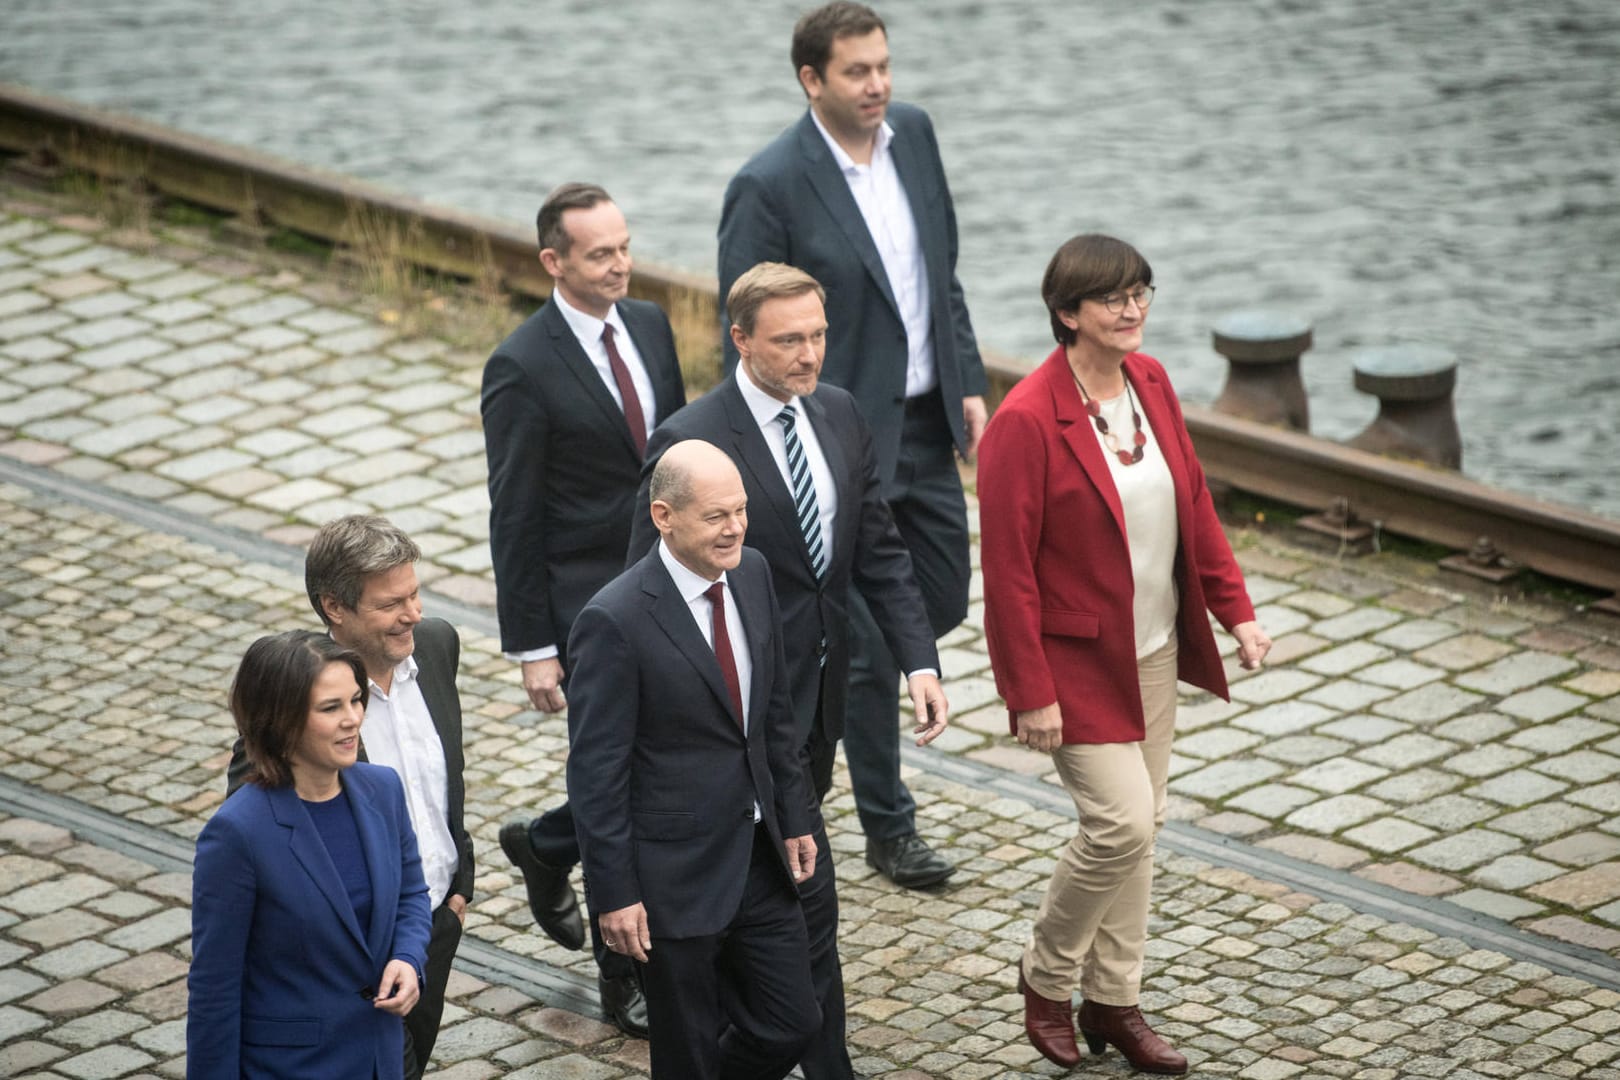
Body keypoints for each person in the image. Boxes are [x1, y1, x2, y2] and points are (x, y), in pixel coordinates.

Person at [628, 262, 947, 1079]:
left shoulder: (838, 415)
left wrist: (918, 658)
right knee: (788, 909)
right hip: (723, 724)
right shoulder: (692, 438)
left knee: (800, 899)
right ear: (740, 340)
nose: (811, 354)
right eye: (790, 340)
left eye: (819, 335)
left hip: (811, 712)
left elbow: (875, 547)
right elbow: (644, 600)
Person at [978, 234, 1273, 1073]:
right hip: (1073, 666)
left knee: (1144, 832)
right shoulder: (1025, 423)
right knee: (1121, 825)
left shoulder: (1151, 383)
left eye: (1141, 291)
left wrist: (1234, 611)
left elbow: (1195, 502)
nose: (1133, 307)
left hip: (1149, 651)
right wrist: (1028, 692)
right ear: (1068, 315)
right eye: (1112, 298)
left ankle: (1114, 1002)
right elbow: (1006, 574)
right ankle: (1046, 976)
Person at [718, 1, 985, 888]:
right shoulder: (770, 185)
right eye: (857, 72)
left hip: (924, 424)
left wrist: (970, 383)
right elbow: (746, 326)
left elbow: (936, 276)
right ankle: (888, 826)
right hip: (835, 438)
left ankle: (842, 677)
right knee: (868, 642)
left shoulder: (914, 134)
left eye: (883, 66)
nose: (879, 85)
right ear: (812, 80)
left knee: (938, 593)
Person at [482, 181, 686, 1034]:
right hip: (584, 612)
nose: (620, 264)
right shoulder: (521, 366)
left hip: (671, 589)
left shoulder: (651, 326)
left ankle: (547, 844)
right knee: (615, 790)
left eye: (625, 246)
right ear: (553, 261)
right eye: (600, 253)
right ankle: (623, 976)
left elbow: (679, 457)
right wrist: (533, 645)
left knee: (662, 772)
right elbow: (514, 514)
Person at [568, 440, 821, 1079]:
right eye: (715, 517)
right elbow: (597, 776)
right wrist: (614, 893)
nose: (734, 528)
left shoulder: (755, 573)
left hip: (760, 858)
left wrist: (795, 816)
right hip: (671, 880)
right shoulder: (615, 620)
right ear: (664, 517)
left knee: (793, 1022)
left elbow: (775, 716)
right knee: (686, 1054)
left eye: (740, 511)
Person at [224, 515, 472, 1079]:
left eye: (414, 594)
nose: (412, 613)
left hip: (433, 928)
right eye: (391, 604)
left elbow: (442, 777)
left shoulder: (435, 645)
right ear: (336, 608)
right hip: (356, 956)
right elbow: (262, 846)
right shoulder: (298, 705)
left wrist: (460, 891)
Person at [190, 631, 432, 1079]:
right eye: (330, 708)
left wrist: (407, 957)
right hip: (292, 1067)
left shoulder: (383, 790)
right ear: (280, 721)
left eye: (356, 700)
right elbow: (214, 988)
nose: (353, 719)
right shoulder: (237, 833)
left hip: (380, 1059)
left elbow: (412, 894)